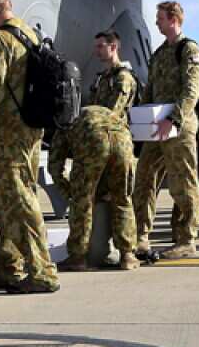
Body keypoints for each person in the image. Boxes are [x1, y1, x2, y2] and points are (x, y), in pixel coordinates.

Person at [0, 0, 61, 294]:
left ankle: (42, 272)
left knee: (21, 198)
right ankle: (9, 266)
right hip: (32, 128)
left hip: (11, 130)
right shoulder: (32, 34)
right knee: (4, 197)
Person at [138, 1, 199, 260]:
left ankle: (186, 239)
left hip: (179, 125)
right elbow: (149, 90)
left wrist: (174, 120)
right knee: (143, 178)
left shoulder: (189, 50)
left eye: (160, 18)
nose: (157, 22)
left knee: (183, 182)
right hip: (156, 125)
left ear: (174, 19)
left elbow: (191, 91)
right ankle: (140, 236)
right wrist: (141, 121)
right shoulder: (159, 53)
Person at [49, 105, 139, 271]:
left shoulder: (64, 122)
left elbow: (55, 167)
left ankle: (78, 257)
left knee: (83, 203)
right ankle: (128, 255)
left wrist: (70, 193)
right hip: (123, 139)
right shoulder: (100, 112)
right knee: (122, 199)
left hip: (93, 139)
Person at [87, 31, 138, 117]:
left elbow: (113, 113)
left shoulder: (123, 77)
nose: (96, 51)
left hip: (113, 128)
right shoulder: (101, 78)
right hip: (97, 126)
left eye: (100, 46)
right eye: (96, 47)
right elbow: (90, 106)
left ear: (113, 47)